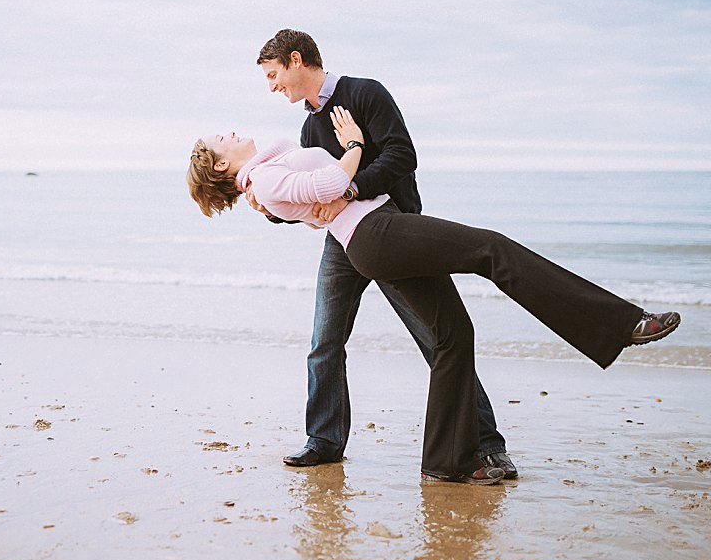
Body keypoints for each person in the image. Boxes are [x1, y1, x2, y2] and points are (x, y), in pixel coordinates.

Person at [186, 115, 681, 485]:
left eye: (274, 75)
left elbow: (303, 171)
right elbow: (331, 183)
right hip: (376, 231)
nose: (230, 130)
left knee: (451, 337)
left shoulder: (272, 163)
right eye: (221, 139)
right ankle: (616, 325)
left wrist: (268, 181)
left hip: (373, 229)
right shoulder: (267, 177)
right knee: (492, 248)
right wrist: (354, 143)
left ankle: (448, 463)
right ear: (224, 163)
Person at [251, 29, 513, 477]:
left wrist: (351, 189)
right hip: (342, 241)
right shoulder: (309, 128)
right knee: (324, 342)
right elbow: (311, 198)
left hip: (393, 233)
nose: (272, 86)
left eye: (274, 75)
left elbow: (401, 155)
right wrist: (272, 211)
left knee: (438, 340)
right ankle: (325, 441)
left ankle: (488, 444)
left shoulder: (364, 93)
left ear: (296, 60)